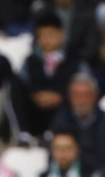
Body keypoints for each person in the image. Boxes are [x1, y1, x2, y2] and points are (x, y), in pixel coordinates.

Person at [14, 14, 78, 142]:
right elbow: (22, 84)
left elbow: (83, 85)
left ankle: (58, 132)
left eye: (51, 34)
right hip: (36, 112)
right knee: (13, 84)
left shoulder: (74, 60)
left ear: (61, 35)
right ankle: (24, 134)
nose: (46, 39)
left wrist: (61, 97)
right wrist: (36, 94)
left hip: (63, 113)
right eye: (42, 35)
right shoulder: (30, 61)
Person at [48, 76, 105, 177]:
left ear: (95, 96)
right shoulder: (61, 120)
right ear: (70, 98)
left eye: (86, 95)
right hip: (69, 176)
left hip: (101, 176)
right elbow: (54, 156)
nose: (81, 100)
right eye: (77, 95)